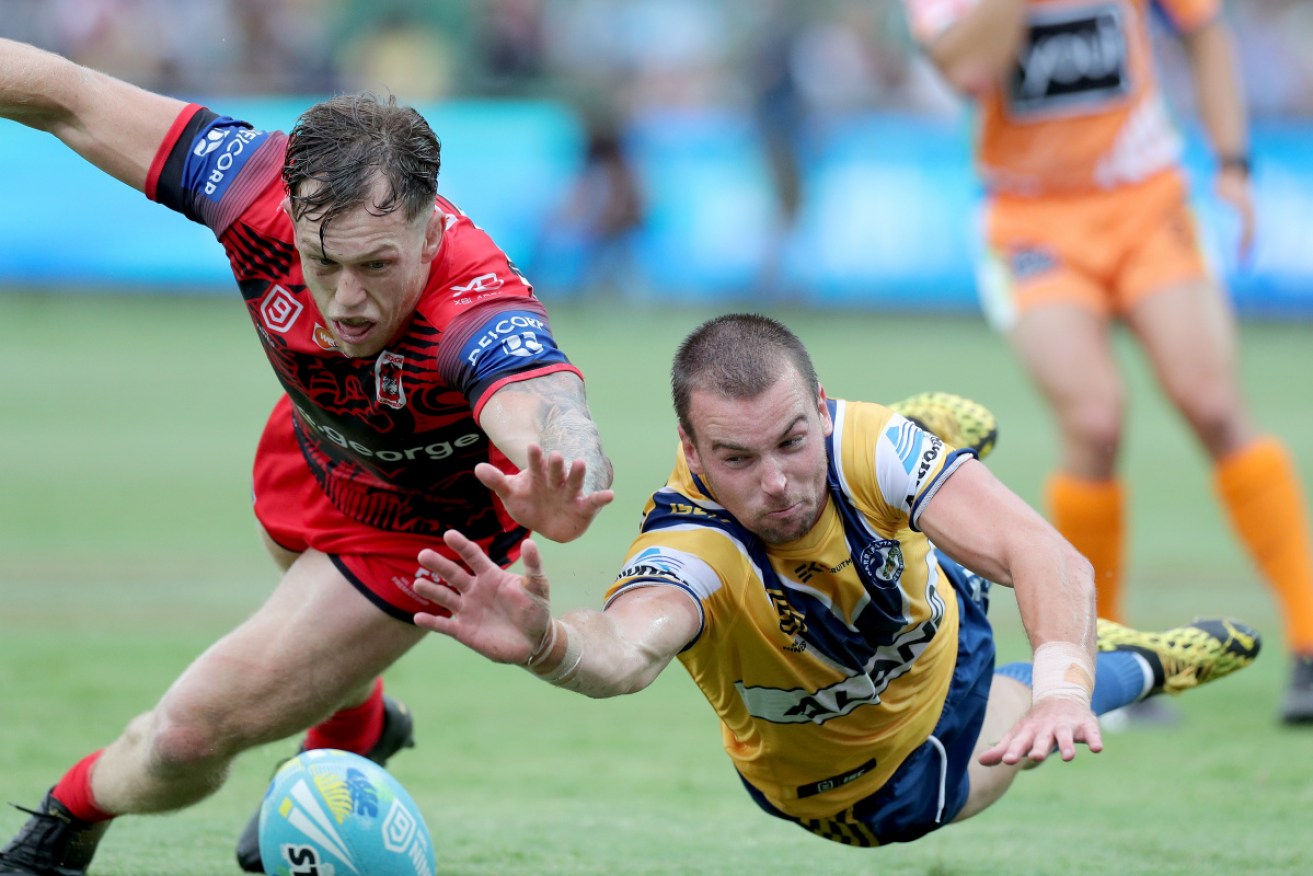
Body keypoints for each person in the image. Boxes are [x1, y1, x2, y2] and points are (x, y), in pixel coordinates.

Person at [0, 37, 613, 876]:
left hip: (422, 532)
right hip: (313, 452)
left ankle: (60, 829)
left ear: (431, 235)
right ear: (289, 219)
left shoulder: (476, 304)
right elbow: (64, 94)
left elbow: (545, 403)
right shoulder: (246, 185)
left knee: (186, 735)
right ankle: (360, 725)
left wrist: (568, 481)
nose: (350, 301)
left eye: (378, 265)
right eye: (325, 263)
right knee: (308, 650)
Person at [411, 313, 1259, 848]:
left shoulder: (862, 441)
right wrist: (548, 644)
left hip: (934, 608)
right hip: (871, 780)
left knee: (992, 594)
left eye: (790, 440)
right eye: (737, 460)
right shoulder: (689, 546)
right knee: (957, 778)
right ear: (693, 453)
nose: (774, 482)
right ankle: (1138, 660)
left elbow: (1048, 557)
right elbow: (627, 647)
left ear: (821, 407)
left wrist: (1066, 690)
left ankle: (1079, 643)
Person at [897, 0, 1313, 724]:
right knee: (1093, 422)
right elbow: (965, 67)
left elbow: (1204, 31)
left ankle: (1308, 643)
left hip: (1145, 199)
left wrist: (1233, 164)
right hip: (1029, 220)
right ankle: (1103, 661)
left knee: (1212, 405)